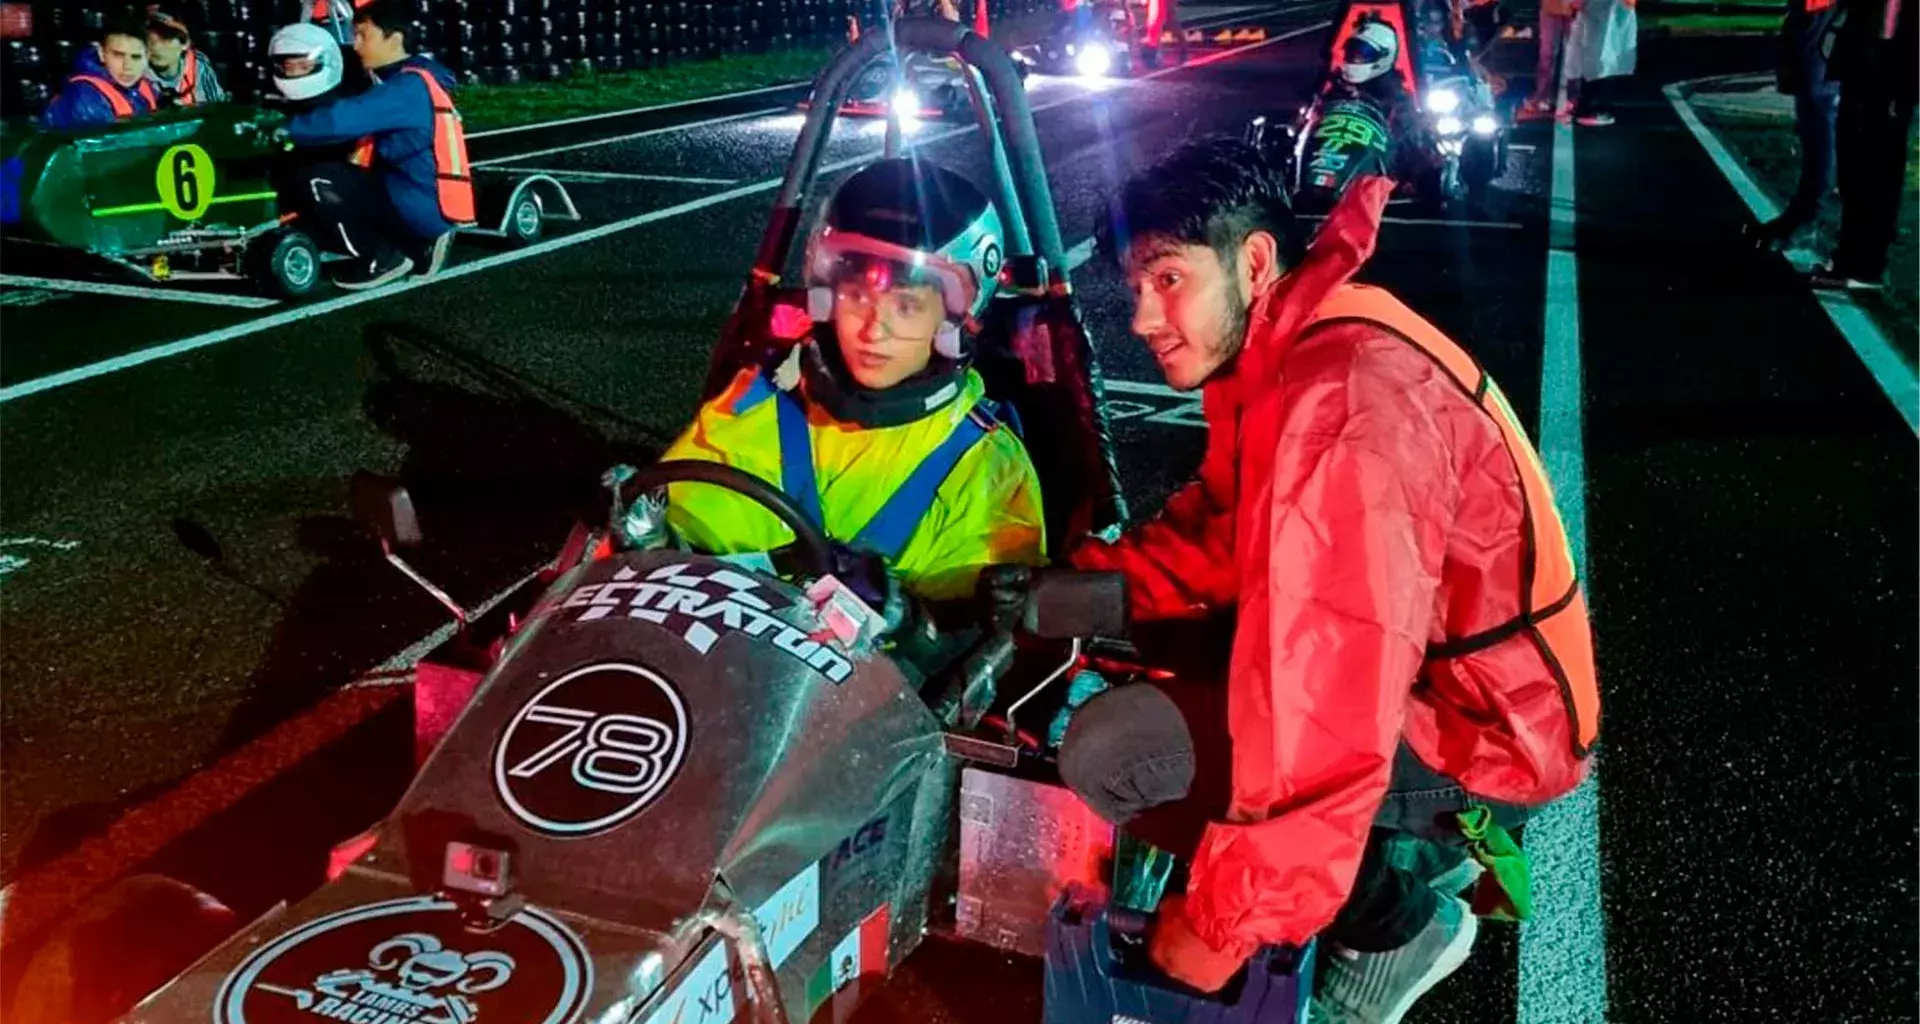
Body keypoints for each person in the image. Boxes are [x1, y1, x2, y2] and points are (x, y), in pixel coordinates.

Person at [1056, 137, 1598, 1022]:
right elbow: (1224, 538)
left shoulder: (1341, 400)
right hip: (1449, 682)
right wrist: (1079, 586)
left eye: (1166, 279)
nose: (1144, 318)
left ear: (1255, 260)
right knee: (1156, 654)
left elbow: (1328, 697)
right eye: (1135, 287)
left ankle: (1395, 925)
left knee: (1114, 752)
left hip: (1485, 728)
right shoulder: (1299, 346)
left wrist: (1216, 928)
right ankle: (1403, 860)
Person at [661, 156, 1045, 624]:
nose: (873, 331)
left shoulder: (984, 468)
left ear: (949, 321)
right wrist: (649, 535)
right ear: (827, 296)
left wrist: (908, 616)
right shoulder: (755, 406)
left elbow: (985, 646)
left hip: (882, 695)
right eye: (857, 297)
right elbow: (679, 547)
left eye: (905, 307)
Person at [281, 0, 472, 289]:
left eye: (363, 36)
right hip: (414, 192)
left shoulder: (407, 88)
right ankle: (414, 244)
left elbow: (339, 121)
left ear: (393, 39)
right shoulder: (405, 79)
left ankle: (381, 258)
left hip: (418, 201)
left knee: (319, 178)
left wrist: (281, 129)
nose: (355, 45)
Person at [1810, 0, 1915, 290]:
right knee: (1859, 166)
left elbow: (1888, 20)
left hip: (1886, 66)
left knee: (1874, 168)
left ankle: (1863, 264)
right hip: (1874, 62)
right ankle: (1854, 260)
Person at [1747, 0, 1843, 249]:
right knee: (1812, 112)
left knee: (1819, 108)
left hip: (1826, 11)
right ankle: (1806, 210)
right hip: (1809, 11)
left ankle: (1812, 214)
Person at [40, 17, 158, 130]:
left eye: (136, 57)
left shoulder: (146, 87)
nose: (127, 66)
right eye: (118, 55)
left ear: (147, 57)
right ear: (102, 54)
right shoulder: (84, 96)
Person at [1562, 0, 1634, 126]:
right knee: (1581, 54)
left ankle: (1601, 109)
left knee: (1601, 57)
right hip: (1590, 10)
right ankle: (1583, 104)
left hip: (1606, 9)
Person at [143, 6, 227, 107]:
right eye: (151, 41)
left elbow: (218, 109)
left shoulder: (199, 65)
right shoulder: (137, 72)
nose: (156, 47)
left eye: (166, 38)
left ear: (185, 43)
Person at [1518, 0, 1576, 119]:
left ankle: (1573, 95)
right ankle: (1542, 94)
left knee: (1574, 53)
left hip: (1576, 8)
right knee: (1547, 53)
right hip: (1551, 7)